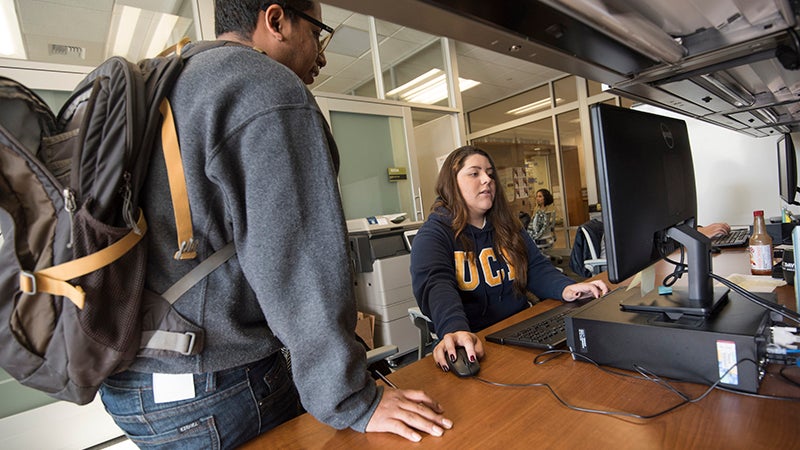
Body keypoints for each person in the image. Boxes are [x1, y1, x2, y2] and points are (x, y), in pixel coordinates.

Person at [98, 1, 451, 448]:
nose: (322, 54)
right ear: (276, 20)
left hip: (133, 382)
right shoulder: (265, 86)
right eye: (318, 33)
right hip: (215, 384)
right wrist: (353, 398)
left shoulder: (164, 82)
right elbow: (299, 265)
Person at [410, 146, 609, 370]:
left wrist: (567, 288)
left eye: (490, 173)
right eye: (475, 173)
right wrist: (454, 328)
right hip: (478, 340)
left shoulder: (507, 225)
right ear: (451, 183)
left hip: (519, 328)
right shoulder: (433, 234)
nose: (487, 179)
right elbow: (436, 285)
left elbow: (534, 267)